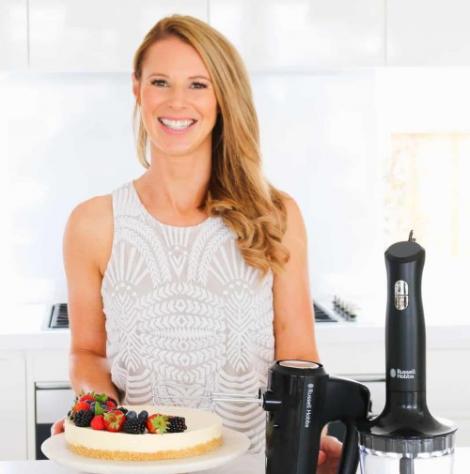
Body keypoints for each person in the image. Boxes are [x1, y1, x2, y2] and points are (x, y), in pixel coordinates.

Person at [51, 14, 342, 472]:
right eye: (160, 82)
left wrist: (311, 441)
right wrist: (97, 416)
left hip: (252, 464)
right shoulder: (93, 223)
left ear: (222, 95)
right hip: (140, 465)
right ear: (137, 89)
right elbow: (88, 354)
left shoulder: (275, 216)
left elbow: (299, 359)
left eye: (198, 85)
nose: (177, 101)